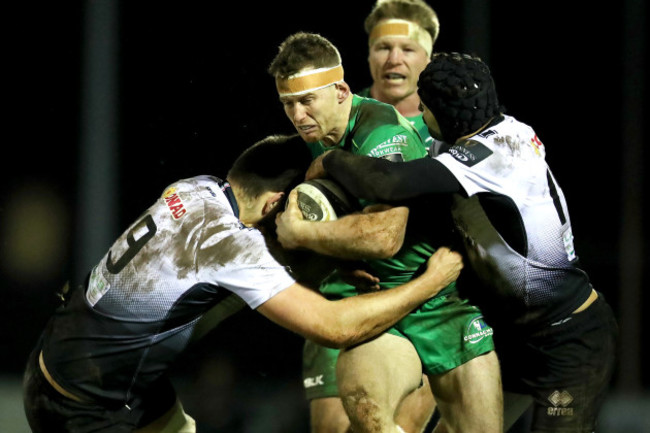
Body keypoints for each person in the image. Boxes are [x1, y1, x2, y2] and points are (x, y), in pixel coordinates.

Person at [21, 134, 465, 433]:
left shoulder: (194, 188)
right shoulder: (232, 247)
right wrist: (429, 282)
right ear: (277, 201)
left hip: (58, 360)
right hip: (84, 408)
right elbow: (335, 327)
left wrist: (325, 263)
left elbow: (203, 268)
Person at [305, 52, 619, 433]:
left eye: (426, 107)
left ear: (446, 114)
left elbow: (386, 181)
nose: (419, 111)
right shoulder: (491, 130)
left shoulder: (495, 155)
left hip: (569, 339)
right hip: (515, 333)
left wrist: (331, 159)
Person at [268, 33, 502, 433]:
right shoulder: (301, 144)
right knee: (366, 415)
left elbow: (383, 237)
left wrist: (301, 234)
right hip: (376, 303)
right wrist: (331, 265)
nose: (298, 114)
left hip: (441, 302)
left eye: (307, 101)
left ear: (341, 91)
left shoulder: (379, 129)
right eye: (289, 104)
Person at [359, 0, 440, 153]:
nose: (394, 60)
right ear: (370, 56)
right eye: (384, 48)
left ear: (427, 60)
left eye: (408, 49)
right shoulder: (340, 118)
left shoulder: (453, 126)